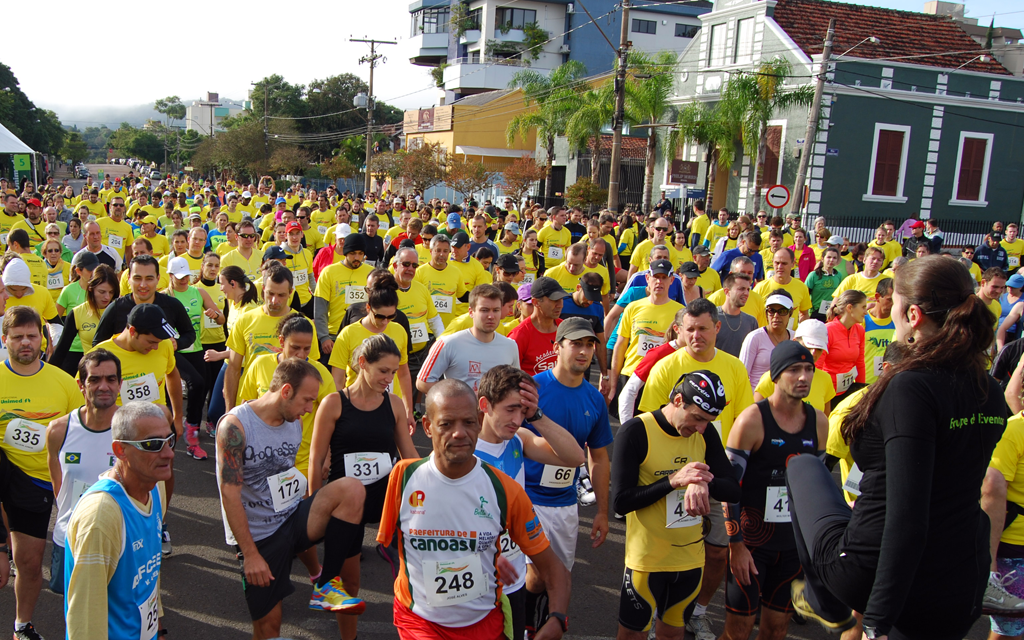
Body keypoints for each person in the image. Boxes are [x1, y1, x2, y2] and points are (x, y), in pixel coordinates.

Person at [785, 255, 1007, 639]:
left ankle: (821, 596)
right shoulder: (988, 387)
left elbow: (908, 517)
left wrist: (875, 621)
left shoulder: (912, 388)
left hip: (876, 572)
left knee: (801, 465)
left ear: (913, 315)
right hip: (958, 577)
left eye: (894, 303)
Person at [377, 378, 571, 640]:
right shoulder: (403, 477)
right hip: (419, 621)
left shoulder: (506, 490)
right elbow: (390, 545)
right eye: (446, 424)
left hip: (485, 624)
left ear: (479, 422)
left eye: (468, 422)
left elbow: (552, 566)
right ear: (428, 427)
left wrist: (557, 618)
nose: (459, 433)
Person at [216, 358, 367, 640]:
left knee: (352, 489)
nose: (309, 409)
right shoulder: (235, 427)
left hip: (290, 519)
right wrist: (250, 554)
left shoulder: (293, 422)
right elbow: (229, 494)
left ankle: (325, 584)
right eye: (307, 400)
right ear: (285, 391)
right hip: (260, 537)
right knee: (269, 629)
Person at [636, 299, 754, 640]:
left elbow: (743, 421)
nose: (696, 335)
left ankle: (697, 612)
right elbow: (646, 423)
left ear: (717, 328)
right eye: (689, 329)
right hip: (669, 475)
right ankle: (657, 614)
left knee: (717, 551)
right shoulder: (666, 366)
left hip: (717, 472)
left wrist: (725, 472)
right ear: (679, 330)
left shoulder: (734, 368)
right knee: (664, 550)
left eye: (703, 328)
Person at [611, 371, 740, 640]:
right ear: (678, 400)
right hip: (647, 561)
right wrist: (672, 481)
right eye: (698, 418)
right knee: (632, 636)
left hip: (690, 560)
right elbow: (621, 502)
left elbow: (732, 488)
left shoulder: (704, 433)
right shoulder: (636, 431)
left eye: (708, 421)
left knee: (672, 635)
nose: (701, 428)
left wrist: (702, 481)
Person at [720, 341, 828, 640]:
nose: (804, 377)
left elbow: (816, 490)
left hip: (792, 547)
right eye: (794, 370)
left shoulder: (819, 421)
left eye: (809, 369)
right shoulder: (752, 420)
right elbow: (730, 488)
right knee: (738, 632)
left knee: (777, 630)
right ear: (776, 375)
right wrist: (736, 545)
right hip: (752, 545)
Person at [473, 364, 585, 640]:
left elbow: (575, 458)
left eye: (523, 411)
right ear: (485, 405)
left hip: (513, 578)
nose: (517, 420)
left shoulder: (519, 440)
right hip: (476, 577)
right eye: (510, 409)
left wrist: (537, 416)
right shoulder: (466, 450)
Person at [521, 317, 614, 635]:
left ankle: (543, 624)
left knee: (558, 576)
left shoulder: (594, 399)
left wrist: (602, 512)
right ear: (557, 347)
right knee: (531, 575)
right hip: (526, 499)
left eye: (589, 345)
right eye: (576, 344)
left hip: (564, 504)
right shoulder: (532, 389)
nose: (584, 351)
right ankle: (524, 624)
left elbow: (598, 457)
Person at [0, 306, 85, 640]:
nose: (25, 343)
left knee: (48, 561)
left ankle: (26, 624)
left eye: (31, 336)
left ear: (43, 339)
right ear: (4, 340)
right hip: (12, 478)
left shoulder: (63, 382)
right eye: (17, 337)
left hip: (55, 480)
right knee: (23, 560)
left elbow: (84, 430)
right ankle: (22, 623)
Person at [63, 401, 174, 640]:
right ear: (120, 450)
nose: (169, 453)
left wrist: (158, 627)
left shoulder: (155, 487)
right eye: (153, 444)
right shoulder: (100, 516)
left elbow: (149, 575)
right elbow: (85, 619)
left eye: (169, 440)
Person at [47, 349, 123, 595]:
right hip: (69, 537)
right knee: (72, 606)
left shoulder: (132, 430)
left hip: (118, 539)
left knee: (115, 606)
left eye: (111, 379)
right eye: (94, 379)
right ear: (81, 385)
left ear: (120, 384)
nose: (104, 386)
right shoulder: (58, 430)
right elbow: (58, 483)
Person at [224, 263, 320, 413]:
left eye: (281, 295)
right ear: (263, 289)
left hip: (287, 409)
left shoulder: (304, 325)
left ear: (291, 292)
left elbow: (311, 370)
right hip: (249, 404)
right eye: (270, 294)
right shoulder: (245, 320)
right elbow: (233, 369)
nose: (274, 300)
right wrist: (229, 410)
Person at [416, 283, 520, 395]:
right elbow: (423, 382)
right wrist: (462, 398)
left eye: (496, 310)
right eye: (484, 310)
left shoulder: (510, 346)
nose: (491, 316)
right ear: (471, 312)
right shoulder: (448, 344)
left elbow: (516, 384)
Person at [608, 259, 684, 404]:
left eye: (664, 277)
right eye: (656, 277)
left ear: (671, 280)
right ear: (648, 278)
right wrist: (613, 385)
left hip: (663, 378)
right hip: (632, 374)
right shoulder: (633, 307)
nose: (659, 282)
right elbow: (620, 345)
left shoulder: (680, 312)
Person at [50, 265, 119, 377]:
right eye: (102, 292)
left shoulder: (121, 310)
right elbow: (60, 351)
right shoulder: (77, 313)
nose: (107, 297)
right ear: (91, 289)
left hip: (119, 372)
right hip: (92, 373)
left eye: (111, 292)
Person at [508, 276, 568, 376]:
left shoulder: (566, 328)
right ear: (535, 302)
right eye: (554, 300)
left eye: (561, 299)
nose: (560, 305)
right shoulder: (519, 336)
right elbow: (508, 376)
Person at [739, 291, 795, 391]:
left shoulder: (796, 338)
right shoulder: (754, 338)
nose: (776, 316)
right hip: (756, 397)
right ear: (766, 313)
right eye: (771, 311)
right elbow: (742, 376)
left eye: (782, 311)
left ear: (790, 313)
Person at [818, 289, 867, 397]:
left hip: (848, 392)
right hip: (827, 393)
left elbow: (860, 363)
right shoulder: (827, 330)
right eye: (863, 307)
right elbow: (817, 367)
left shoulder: (859, 330)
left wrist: (861, 392)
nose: (866, 312)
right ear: (850, 308)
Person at [754, 248, 811, 328]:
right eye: (777, 263)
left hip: (791, 334)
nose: (780, 267)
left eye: (784, 263)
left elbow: (804, 314)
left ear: (793, 264)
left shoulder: (802, 287)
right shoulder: (760, 288)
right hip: (766, 334)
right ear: (772, 262)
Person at [715, 273, 759, 358]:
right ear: (727, 292)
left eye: (748, 289)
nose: (746, 293)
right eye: (741, 289)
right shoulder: (711, 317)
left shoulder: (751, 322)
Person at [863, 278, 895, 385]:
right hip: (866, 383)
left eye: (896, 300)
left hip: (890, 382)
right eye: (889, 300)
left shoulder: (899, 321)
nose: (893, 304)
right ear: (877, 297)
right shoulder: (862, 321)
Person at [806, 247, 845, 321]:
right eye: (829, 257)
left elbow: (840, 294)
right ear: (822, 259)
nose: (831, 260)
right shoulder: (813, 275)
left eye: (834, 258)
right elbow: (805, 294)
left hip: (832, 312)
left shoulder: (838, 275)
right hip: (816, 312)